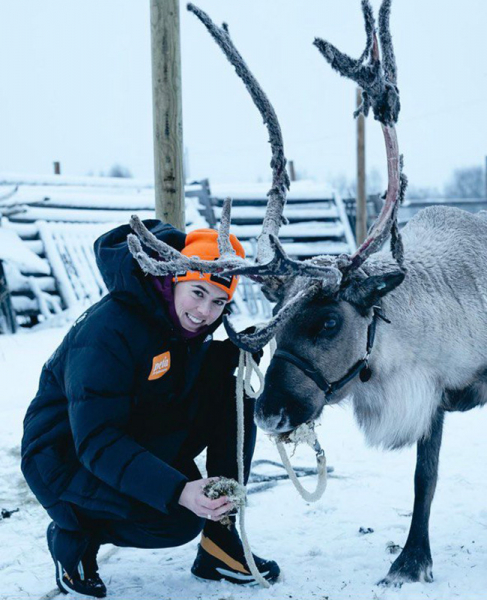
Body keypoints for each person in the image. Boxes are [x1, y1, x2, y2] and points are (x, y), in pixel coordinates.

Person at [21, 221, 280, 598]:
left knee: (235, 388)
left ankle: (220, 540)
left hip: (136, 432)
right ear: (175, 279)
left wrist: (233, 355)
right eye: (198, 292)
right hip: (65, 457)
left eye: (219, 301)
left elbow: (176, 369)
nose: (205, 312)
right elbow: (97, 441)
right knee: (176, 519)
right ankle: (73, 534)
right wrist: (179, 490)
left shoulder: (177, 321)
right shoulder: (108, 332)